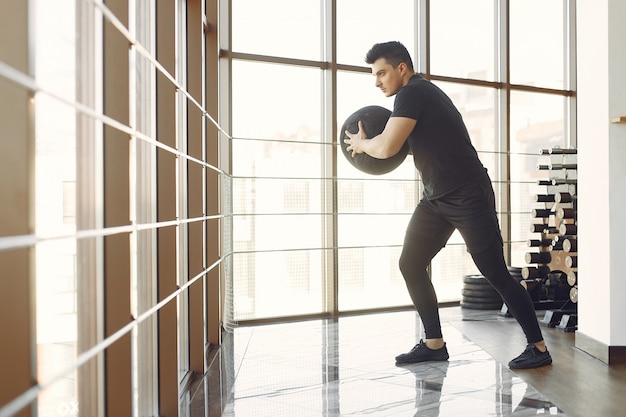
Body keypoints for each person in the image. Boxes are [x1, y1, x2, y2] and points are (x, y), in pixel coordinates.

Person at [344, 41, 552, 370]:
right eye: (374, 75)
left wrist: (362, 143)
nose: (377, 81)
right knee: (411, 263)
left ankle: (538, 348)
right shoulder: (419, 96)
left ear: (401, 68)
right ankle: (433, 343)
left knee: (495, 271)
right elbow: (421, 146)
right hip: (436, 197)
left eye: (381, 73)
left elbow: (385, 149)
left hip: (468, 194)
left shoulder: (414, 92)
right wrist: (378, 143)